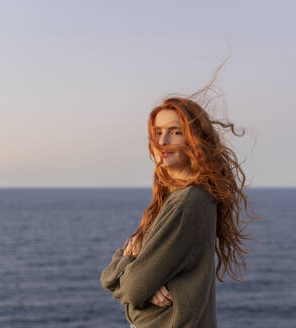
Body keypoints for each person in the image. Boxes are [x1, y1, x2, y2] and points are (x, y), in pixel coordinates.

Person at [100, 68, 259, 328]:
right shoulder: (186, 196)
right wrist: (135, 273)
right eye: (158, 132)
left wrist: (126, 263)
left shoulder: (186, 203)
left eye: (175, 131)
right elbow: (124, 282)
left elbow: (131, 289)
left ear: (194, 139)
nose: (163, 141)